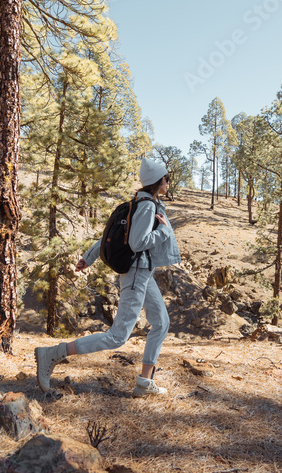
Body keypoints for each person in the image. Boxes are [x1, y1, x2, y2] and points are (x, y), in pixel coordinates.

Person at [35, 157, 181, 397]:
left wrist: (89, 256)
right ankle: (53, 353)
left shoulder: (141, 203)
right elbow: (137, 242)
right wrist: (163, 231)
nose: (168, 181)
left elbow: (115, 235)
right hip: (136, 274)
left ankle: (144, 383)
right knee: (117, 337)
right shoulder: (146, 206)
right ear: (157, 180)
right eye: (166, 177)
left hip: (143, 274)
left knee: (161, 323)